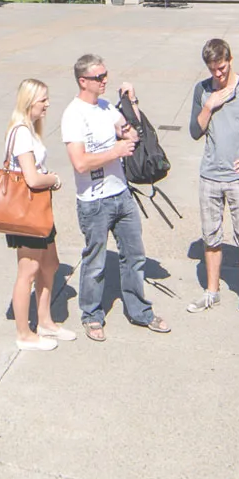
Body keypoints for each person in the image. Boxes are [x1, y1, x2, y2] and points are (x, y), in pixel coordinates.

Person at [62, 53, 170, 340]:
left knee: (134, 256)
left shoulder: (107, 107)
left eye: (105, 74)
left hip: (121, 195)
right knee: (95, 262)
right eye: (99, 77)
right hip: (94, 201)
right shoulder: (73, 115)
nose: (104, 80)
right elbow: (80, 163)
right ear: (83, 81)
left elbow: (130, 131)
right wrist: (115, 151)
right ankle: (92, 315)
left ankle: (140, 311)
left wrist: (131, 105)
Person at [186, 38, 239, 324]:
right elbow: (194, 132)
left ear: (230, 60)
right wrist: (207, 106)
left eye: (221, 68)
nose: (218, 75)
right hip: (210, 175)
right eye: (212, 70)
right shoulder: (203, 89)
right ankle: (212, 291)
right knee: (211, 237)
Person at [3, 78, 71, 351]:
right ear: (29, 102)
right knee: (28, 270)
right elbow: (31, 178)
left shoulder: (29, 130)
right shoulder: (21, 132)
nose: (47, 104)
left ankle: (45, 320)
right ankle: (24, 333)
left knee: (51, 263)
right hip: (27, 212)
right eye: (43, 100)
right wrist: (53, 178)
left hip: (39, 210)